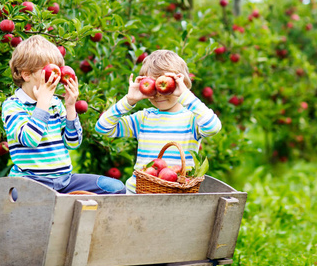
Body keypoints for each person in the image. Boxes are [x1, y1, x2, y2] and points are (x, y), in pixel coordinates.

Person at [2, 35, 125, 194]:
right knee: (22, 203)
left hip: (65, 181)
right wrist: (43, 103)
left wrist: (70, 107)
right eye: (47, 70)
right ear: (26, 75)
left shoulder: (56, 104)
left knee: (115, 188)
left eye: (57, 71)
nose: (56, 77)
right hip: (30, 183)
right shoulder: (13, 105)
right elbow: (30, 139)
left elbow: (72, 143)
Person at [95, 50, 222, 194]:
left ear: (182, 84)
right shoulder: (143, 118)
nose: (159, 93)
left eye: (166, 85)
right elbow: (103, 128)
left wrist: (185, 95)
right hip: (138, 193)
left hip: (176, 195)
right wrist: (128, 101)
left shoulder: (192, 119)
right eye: (153, 87)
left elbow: (213, 127)